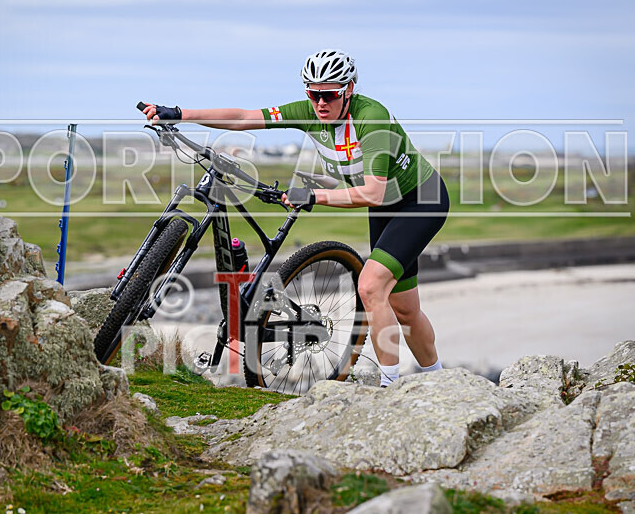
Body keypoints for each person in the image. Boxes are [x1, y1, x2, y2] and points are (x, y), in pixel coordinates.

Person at [141, 48, 450, 387]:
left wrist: (314, 196)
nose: (320, 102)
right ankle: (438, 383)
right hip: (383, 207)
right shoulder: (309, 111)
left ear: (348, 89)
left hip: (420, 200)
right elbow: (245, 118)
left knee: (370, 286)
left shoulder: (370, 118)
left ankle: (390, 388)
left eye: (329, 94)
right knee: (404, 308)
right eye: (313, 93)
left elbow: (372, 192)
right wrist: (180, 113)